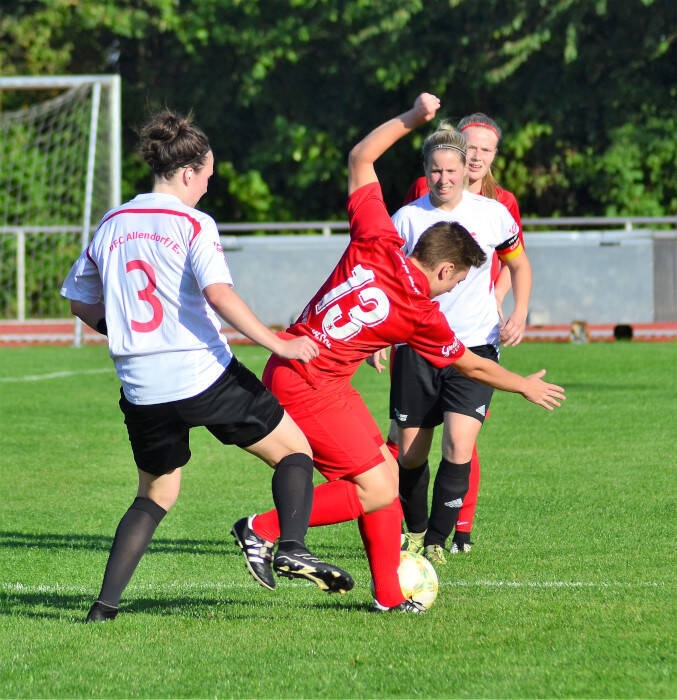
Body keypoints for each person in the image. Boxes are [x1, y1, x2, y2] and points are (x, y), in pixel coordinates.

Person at [232, 93, 565, 613]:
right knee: (374, 488)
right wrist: (522, 383)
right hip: (309, 387)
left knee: (385, 475)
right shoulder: (418, 311)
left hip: (307, 371)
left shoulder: (377, 237)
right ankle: (263, 528)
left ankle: (388, 595)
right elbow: (472, 364)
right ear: (447, 270)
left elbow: (360, 157)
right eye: (457, 280)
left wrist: (413, 119)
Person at [60, 109, 353, 623]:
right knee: (295, 452)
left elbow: (81, 303)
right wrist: (277, 344)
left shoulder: (112, 223)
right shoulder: (193, 223)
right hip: (201, 376)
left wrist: (126, 333)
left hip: (141, 386)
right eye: (208, 178)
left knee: (155, 493)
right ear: (188, 172)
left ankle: (102, 611)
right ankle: (291, 545)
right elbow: (218, 293)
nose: (207, 188)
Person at [385, 116, 533, 565]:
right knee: (410, 453)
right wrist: (378, 339)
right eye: (436, 170)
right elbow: (384, 281)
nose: (444, 178)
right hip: (416, 346)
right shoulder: (407, 219)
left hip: (475, 345)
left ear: (466, 169)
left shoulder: (492, 214)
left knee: (459, 445)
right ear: (425, 170)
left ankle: (437, 539)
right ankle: (412, 531)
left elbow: (520, 265)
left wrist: (519, 311)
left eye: (452, 170)